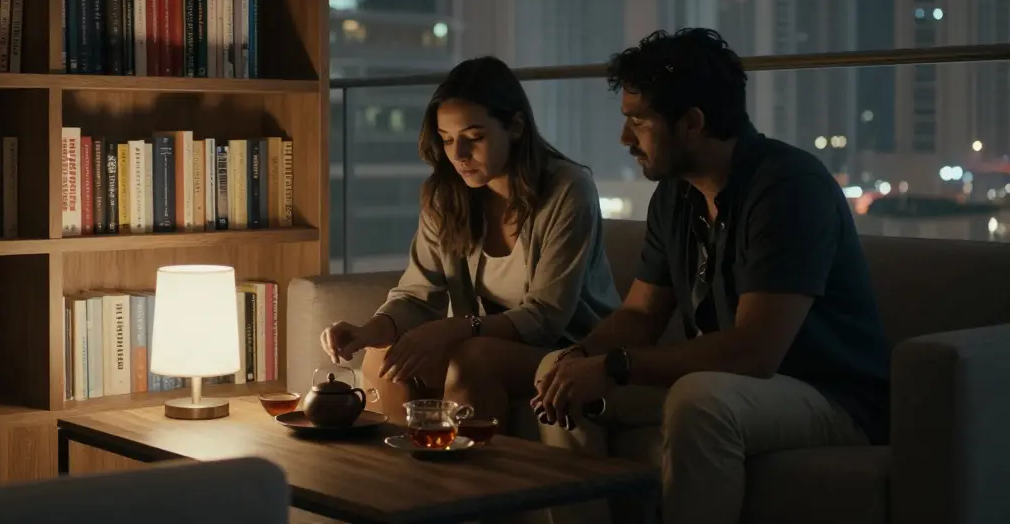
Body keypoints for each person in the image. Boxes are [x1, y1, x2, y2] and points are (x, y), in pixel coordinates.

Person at [531, 28, 892, 524]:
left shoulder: (788, 187)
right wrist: (581, 358)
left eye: (638, 121)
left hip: (830, 396)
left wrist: (616, 368)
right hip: (736, 386)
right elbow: (640, 313)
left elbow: (756, 350)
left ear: (692, 123)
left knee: (700, 399)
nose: (624, 138)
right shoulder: (675, 197)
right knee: (557, 371)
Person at [320, 56, 620, 424]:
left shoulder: (568, 190)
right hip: (482, 342)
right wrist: (369, 332)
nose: (458, 156)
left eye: (473, 138)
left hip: (567, 351)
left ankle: (471, 481)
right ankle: (408, 477)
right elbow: (417, 294)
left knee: (472, 358)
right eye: (446, 140)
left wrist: (453, 329)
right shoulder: (447, 196)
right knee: (383, 358)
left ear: (515, 127)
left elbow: (545, 317)